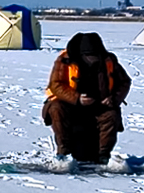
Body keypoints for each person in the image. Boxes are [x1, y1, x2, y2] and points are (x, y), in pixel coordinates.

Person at [42, 32, 131, 165]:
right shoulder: (64, 60)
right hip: (70, 104)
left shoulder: (109, 60)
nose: (93, 59)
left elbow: (124, 82)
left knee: (111, 115)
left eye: (95, 56)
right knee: (56, 108)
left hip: (99, 104)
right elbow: (55, 85)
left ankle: (103, 155)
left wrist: (114, 99)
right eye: (90, 56)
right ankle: (63, 153)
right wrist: (77, 98)